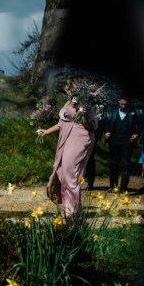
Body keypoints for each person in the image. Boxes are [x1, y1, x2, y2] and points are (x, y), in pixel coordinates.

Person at [37, 78, 99, 214]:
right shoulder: (68, 102)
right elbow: (61, 123)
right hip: (67, 137)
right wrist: (46, 131)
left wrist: (84, 115)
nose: (66, 91)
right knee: (63, 171)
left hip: (80, 138)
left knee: (70, 172)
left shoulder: (87, 103)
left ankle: (71, 210)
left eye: (67, 88)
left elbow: (93, 125)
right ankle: (72, 206)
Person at [103, 96, 139, 192]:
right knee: (113, 164)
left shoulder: (134, 112)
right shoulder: (112, 111)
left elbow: (140, 125)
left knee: (125, 164)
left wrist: (137, 134)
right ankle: (113, 186)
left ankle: (123, 188)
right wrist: (106, 132)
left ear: (128, 103)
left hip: (128, 142)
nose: (123, 106)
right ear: (119, 102)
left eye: (125, 104)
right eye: (121, 104)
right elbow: (106, 122)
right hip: (114, 142)